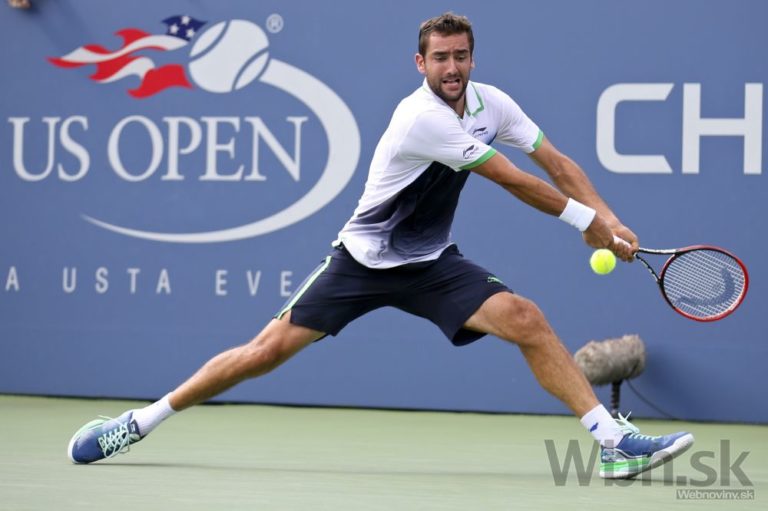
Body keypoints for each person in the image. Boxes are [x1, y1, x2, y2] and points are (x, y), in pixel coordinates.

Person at [67, 12, 693, 479]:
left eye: (462, 56)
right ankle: (138, 422)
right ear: (420, 63)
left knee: (525, 319)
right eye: (440, 58)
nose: (452, 67)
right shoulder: (422, 118)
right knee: (263, 353)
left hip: (430, 264)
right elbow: (510, 178)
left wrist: (608, 218)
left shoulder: (492, 104)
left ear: (473, 59)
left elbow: (553, 161)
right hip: (361, 263)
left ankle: (611, 443)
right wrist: (586, 222)